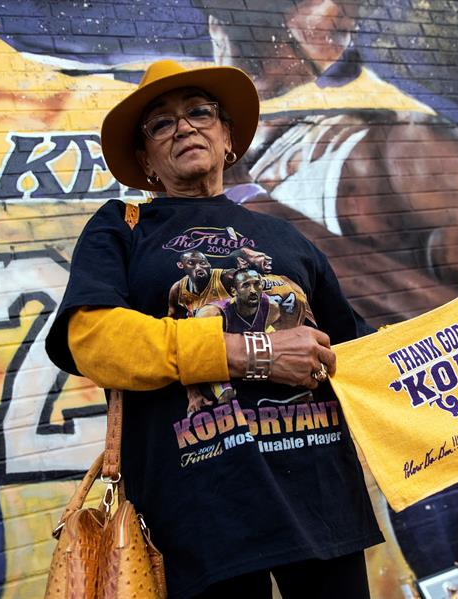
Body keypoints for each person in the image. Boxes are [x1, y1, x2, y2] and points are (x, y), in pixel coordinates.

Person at [44, 59, 386, 599]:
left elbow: (363, 351)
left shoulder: (286, 237)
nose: (183, 127)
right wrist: (256, 352)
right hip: (198, 517)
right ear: (146, 159)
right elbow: (94, 340)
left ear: (227, 138)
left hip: (319, 502)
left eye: (199, 112)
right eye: (161, 123)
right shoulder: (122, 229)